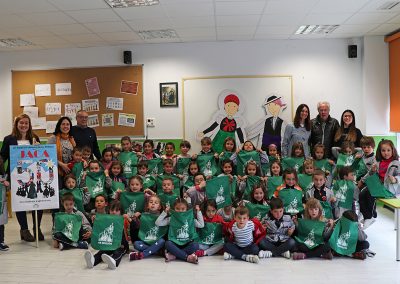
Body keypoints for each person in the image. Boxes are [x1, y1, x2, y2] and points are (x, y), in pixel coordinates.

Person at [1, 114, 42, 242]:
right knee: (21, 204)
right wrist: (3, 176)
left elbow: (40, 156)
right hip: (16, 176)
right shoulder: (9, 139)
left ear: (29, 125)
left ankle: (37, 227)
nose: (24, 125)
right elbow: (2, 159)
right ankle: (24, 230)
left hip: (33, 175)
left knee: (39, 201)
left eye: (26, 123)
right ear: (16, 124)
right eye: (21, 123)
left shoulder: (34, 138)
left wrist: (38, 149)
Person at [156, 198, 204, 264]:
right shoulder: (171, 218)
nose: (180, 211)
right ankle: (187, 257)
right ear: (174, 209)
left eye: (183, 209)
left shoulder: (190, 219)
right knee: (168, 244)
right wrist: (165, 212)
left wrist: (198, 212)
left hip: (187, 243)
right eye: (177, 209)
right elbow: (158, 223)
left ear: (186, 209)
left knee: (195, 245)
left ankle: (174, 255)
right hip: (175, 243)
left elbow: (201, 225)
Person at [84, 200, 128, 269]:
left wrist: (128, 219)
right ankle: (93, 261)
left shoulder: (123, 219)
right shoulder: (107, 220)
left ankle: (114, 261)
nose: (114, 212)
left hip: (121, 245)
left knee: (118, 252)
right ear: (109, 211)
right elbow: (100, 229)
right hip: (110, 243)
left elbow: (131, 229)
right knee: (102, 251)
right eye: (112, 210)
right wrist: (96, 220)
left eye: (117, 210)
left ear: (121, 212)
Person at [47, 116, 76, 188]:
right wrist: (62, 165)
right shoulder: (53, 138)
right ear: (59, 126)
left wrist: (83, 160)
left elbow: (76, 154)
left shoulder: (71, 139)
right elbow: (48, 156)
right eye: (63, 124)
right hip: (57, 170)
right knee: (59, 192)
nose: (65, 126)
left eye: (67, 124)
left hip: (70, 171)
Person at [0, 157, 10, 251]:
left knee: (1, 223)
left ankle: (1, 241)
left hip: (1, 202)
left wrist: (7, 184)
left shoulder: (3, 174)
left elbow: (7, 188)